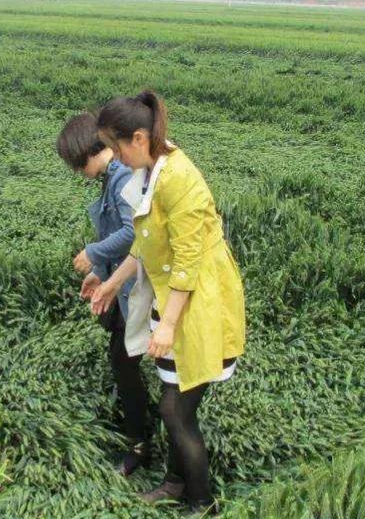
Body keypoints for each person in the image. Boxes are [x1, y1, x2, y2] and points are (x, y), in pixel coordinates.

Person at [90, 91, 246, 515]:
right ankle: (176, 483)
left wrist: (169, 325)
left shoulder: (178, 179)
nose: (116, 157)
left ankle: (202, 501)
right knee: (173, 400)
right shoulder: (151, 170)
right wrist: (112, 284)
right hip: (177, 298)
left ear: (139, 138)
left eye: (117, 146)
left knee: (175, 410)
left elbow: (187, 263)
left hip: (200, 301)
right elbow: (146, 242)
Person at [56, 112, 152, 476]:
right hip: (124, 285)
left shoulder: (121, 175)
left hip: (136, 290)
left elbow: (133, 232)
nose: (78, 172)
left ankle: (140, 445)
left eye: (76, 163)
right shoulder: (114, 175)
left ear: (86, 151)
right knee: (123, 361)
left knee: (126, 365)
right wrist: (100, 273)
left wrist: (93, 254)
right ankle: (139, 435)